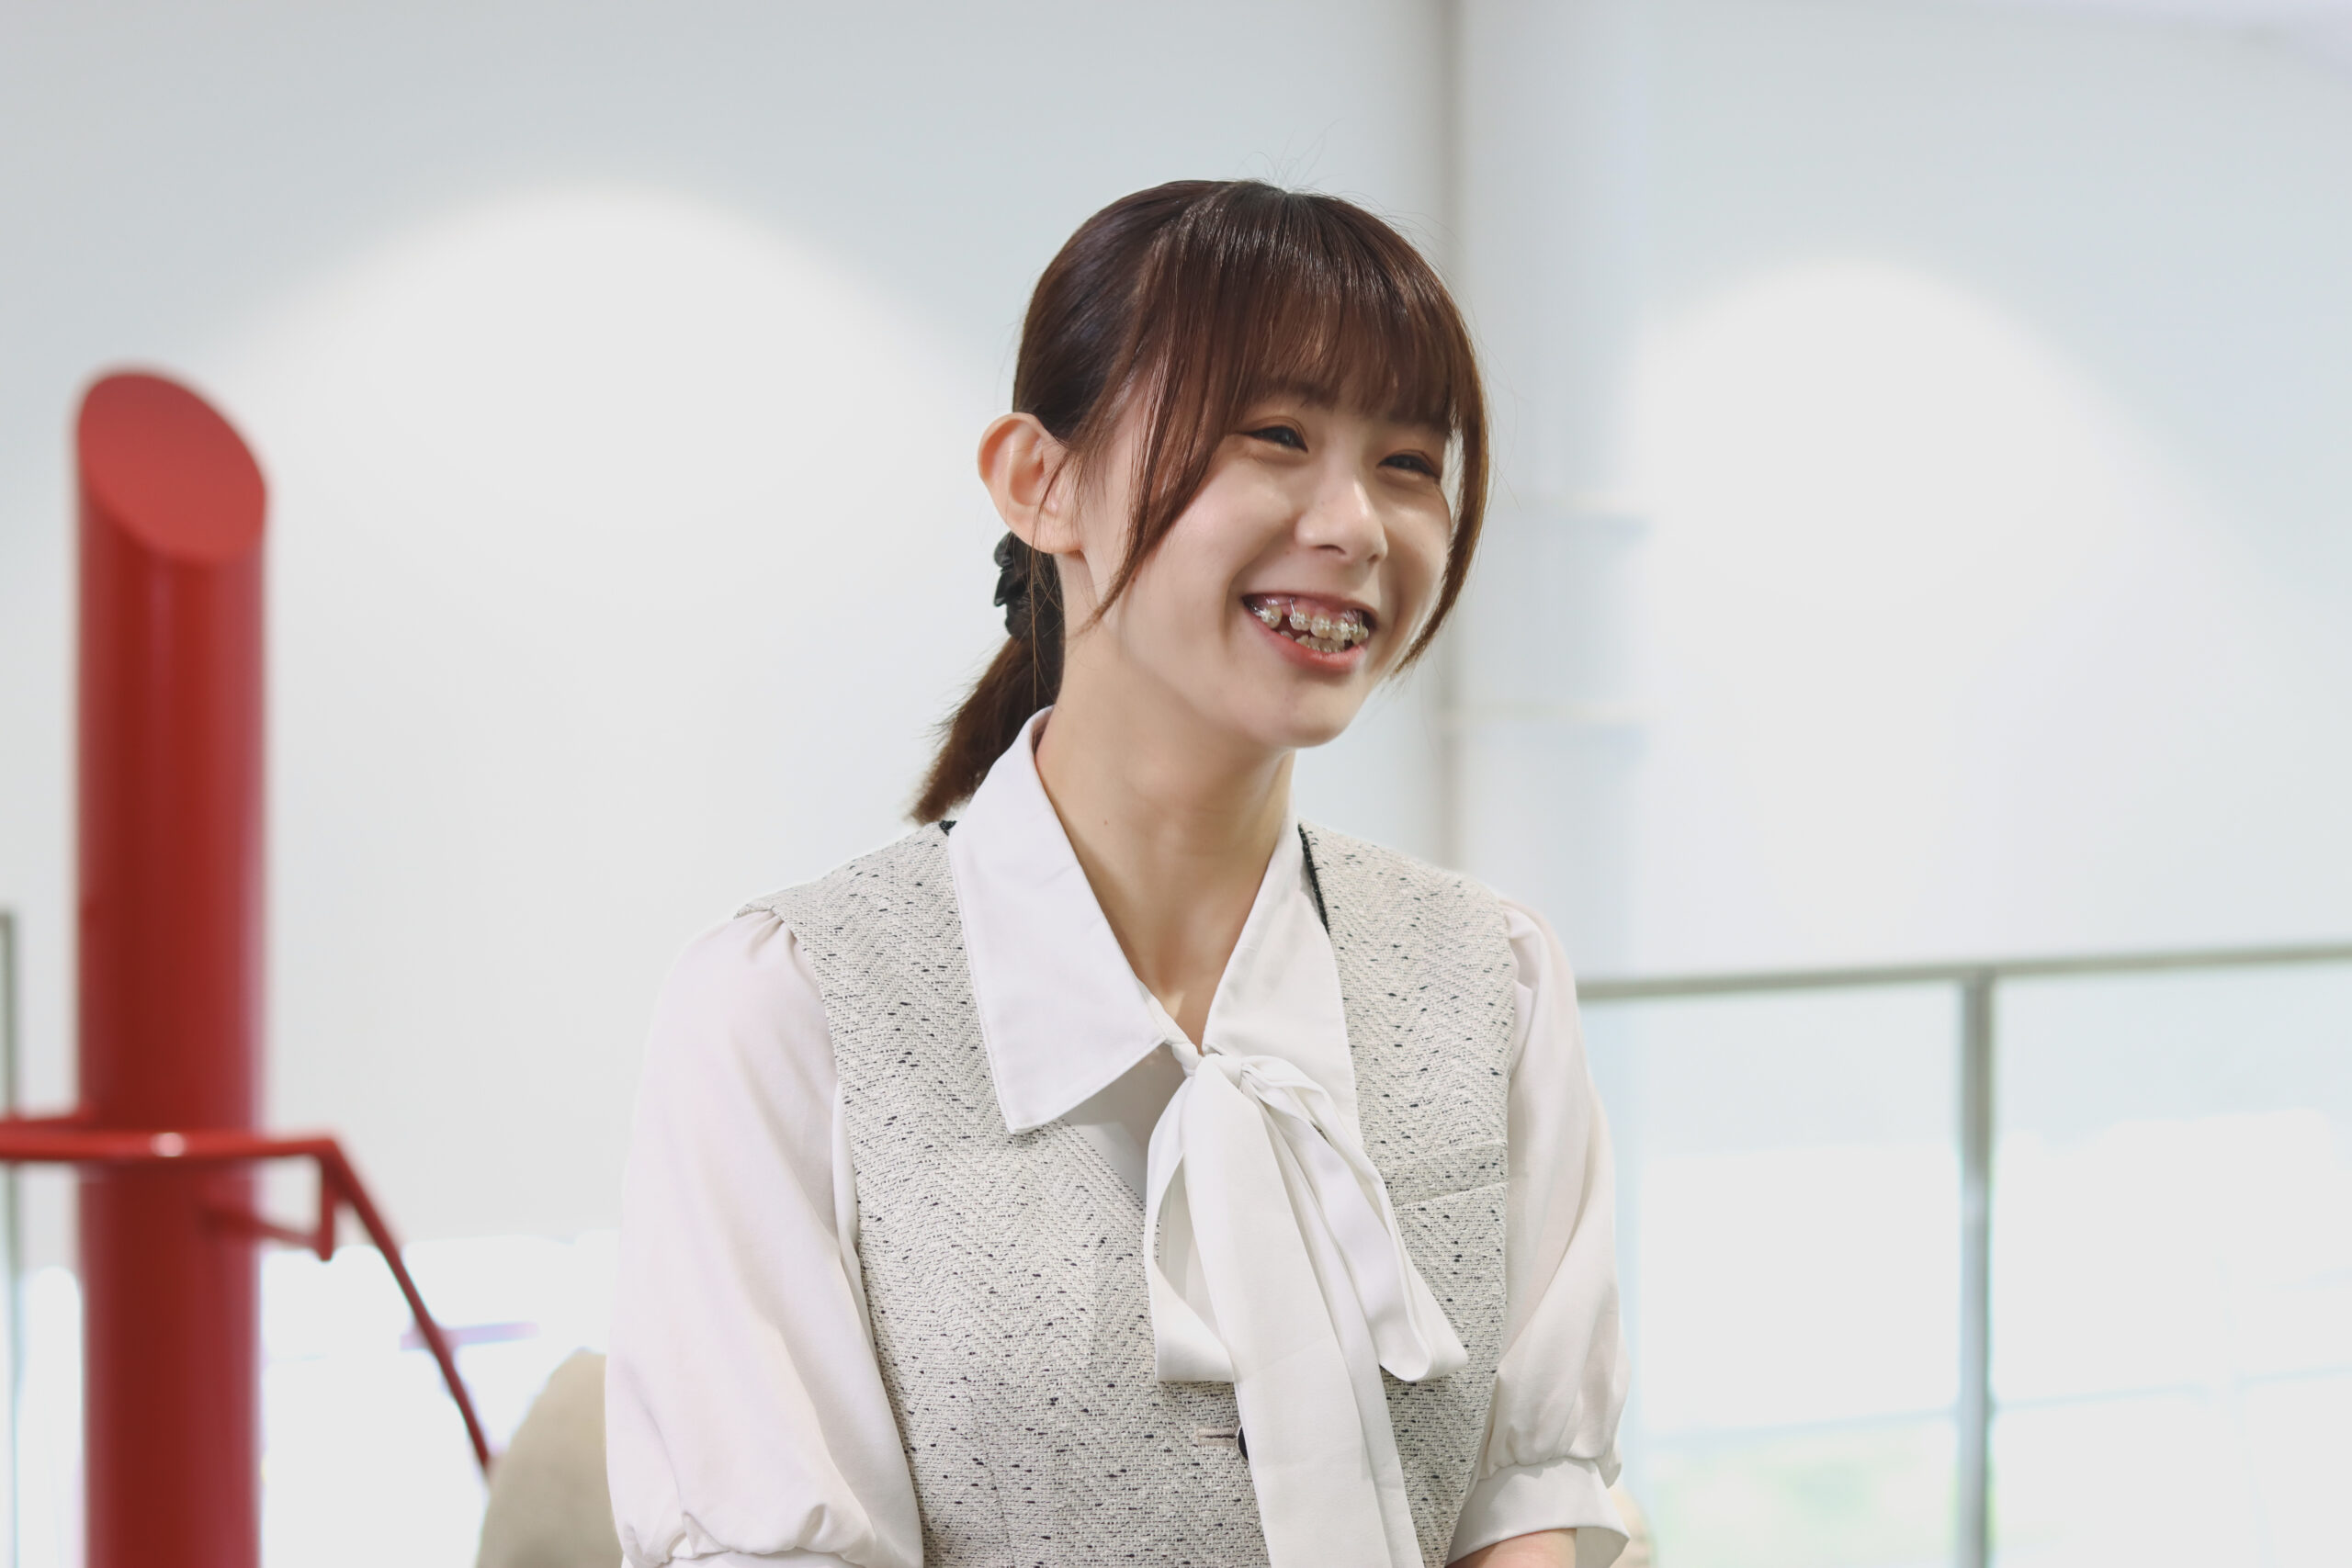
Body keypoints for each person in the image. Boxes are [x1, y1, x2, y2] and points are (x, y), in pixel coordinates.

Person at [605, 179, 1628, 1568]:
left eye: (1408, 463)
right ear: (1041, 482)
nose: (1356, 525)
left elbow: (1529, 1504)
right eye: (1276, 436)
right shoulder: (790, 1010)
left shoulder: (1488, 977)